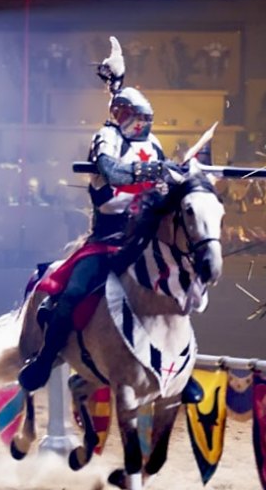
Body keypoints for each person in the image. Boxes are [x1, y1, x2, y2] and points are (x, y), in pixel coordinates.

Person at [18, 38, 194, 396]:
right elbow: (111, 171)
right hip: (109, 237)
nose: (142, 125)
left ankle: (179, 370)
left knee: (183, 286)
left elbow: (163, 178)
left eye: (147, 119)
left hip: (145, 236)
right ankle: (45, 356)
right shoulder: (106, 138)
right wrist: (153, 172)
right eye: (137, 118)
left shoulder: (152, 143)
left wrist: (177, 177)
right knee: (73, 292)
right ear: (122, 115)